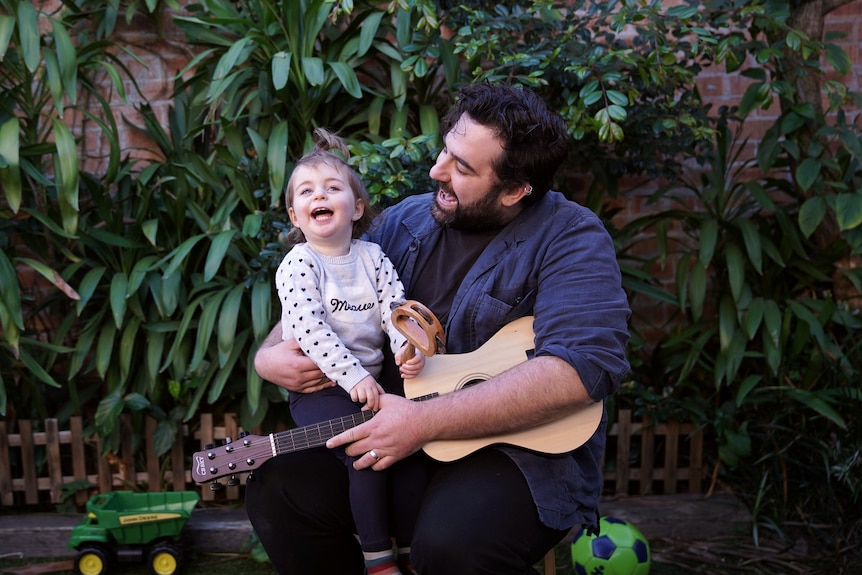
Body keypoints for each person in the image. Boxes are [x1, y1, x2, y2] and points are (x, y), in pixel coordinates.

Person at [246, 83, 631, 575]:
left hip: (512, 451)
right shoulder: (405, 220)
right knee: (280, 487)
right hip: (390, 430)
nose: (436, 171)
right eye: (446, 151)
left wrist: (425, 422)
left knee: (449, 548)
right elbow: (323, 296)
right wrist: (270, 355)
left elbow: (582, 370)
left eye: (462, 167)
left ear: (515, 190)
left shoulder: (571, 237)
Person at [274, 127, 427, 575]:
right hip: (320, 391)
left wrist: (407, 348)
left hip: (369, 385)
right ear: (295, 216)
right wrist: (355, 377)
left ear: (356, 207)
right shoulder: (300, 263)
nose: (319, 195)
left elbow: (395, 308)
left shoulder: (372, 257)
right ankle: (377, 558)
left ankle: (413, 547)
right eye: (306, 191)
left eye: (332, 188)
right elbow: (310, 329)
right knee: (366, 453)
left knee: (409, 454)